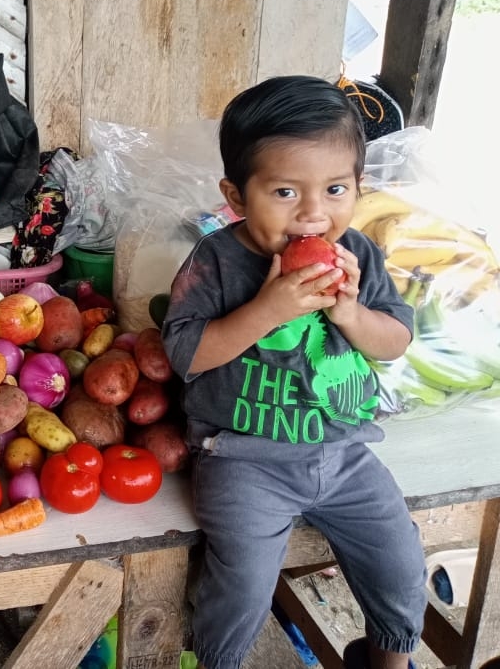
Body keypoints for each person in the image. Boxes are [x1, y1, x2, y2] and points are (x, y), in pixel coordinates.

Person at [160, 75, 427, 669]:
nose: (313, 213)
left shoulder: (357, 254)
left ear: (359, 187)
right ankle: (218, 660)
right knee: (242, 582)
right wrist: (268, 309)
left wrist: (351, 313)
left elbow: (395, 341)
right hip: (243, 457)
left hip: (345, 454)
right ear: (236, 196)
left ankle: (386, 661)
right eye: (284, 191)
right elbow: (186, 354)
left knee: (401, 561)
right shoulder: (216, 260)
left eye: (335, 189)